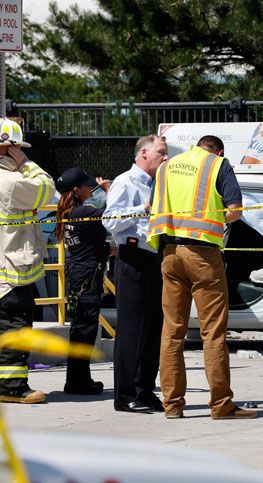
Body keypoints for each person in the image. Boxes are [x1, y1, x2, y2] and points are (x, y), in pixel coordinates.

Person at [148, 135, 255, 420]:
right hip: (204, 256)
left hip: (170, 253)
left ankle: (172, 406)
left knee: (171, 332)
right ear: (218, 151)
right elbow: (234, 212)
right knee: (213, 333)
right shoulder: (219, 165)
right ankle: (221, 405)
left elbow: (151, 208)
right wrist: (215, 218)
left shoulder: (167, 167)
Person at [103, 134, 168, 414]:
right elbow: (109, 221)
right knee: (131, 330)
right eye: (161, 152)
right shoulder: (125, 182)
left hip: (155, 259)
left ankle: (145, 389)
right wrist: (142, 209)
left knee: (153, 330)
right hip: (132, 258)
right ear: (144, 153)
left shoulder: (160, 184)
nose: (165, 158)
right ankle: (124, 394)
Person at [0, 118, 55, 404]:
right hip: (11, 272)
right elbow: (49, 191)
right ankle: (11, 387)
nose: (20, 152)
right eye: (17, 148)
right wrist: (28, 164)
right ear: (9, 149)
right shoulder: (12, 181)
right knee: (15, 327)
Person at [55, 168, 111, 395]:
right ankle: (78, 382)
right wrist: (109, 191)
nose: (93, 189)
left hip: (79, 273)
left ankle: (78, 379)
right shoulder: (83, 212)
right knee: (84, 329)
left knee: (81, 329)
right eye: (89, 186)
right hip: (87, 276)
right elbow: (108, 216)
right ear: (77, 190)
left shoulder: (69, 211)